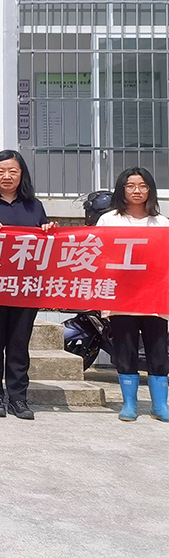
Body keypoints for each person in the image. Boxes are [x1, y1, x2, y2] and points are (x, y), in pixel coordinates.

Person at [0, 150, 57, 420]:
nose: (7, 176)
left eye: (13, 171)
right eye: (1, 171)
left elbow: (45, 246)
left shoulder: (34, 206)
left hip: (25, 288)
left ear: (22, 174)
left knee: (19, 345)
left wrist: (49, 231)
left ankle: (18, 398)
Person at [97, 167, 169, 422]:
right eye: (130, 186)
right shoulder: (109, 220)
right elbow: (98, 254)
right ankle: (129, 404)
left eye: (142, 186)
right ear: (122, 189)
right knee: (125, 349)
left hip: (154, 298)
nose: (137, 191)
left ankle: (160, 405)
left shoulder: (162, 223)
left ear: (150, 190)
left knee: (158, 350)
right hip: (122, 297)